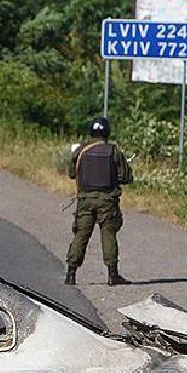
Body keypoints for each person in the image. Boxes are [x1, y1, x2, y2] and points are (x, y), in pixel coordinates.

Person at [64, 116, 133, 285]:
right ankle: (112, 274)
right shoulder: (113, 151)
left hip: (85, 200)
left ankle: (71, 273)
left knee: (81, 234)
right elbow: (125, 177)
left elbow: (72, 173)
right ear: (107, 132)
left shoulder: (81, 151)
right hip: (107, 201)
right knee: (108, 234)